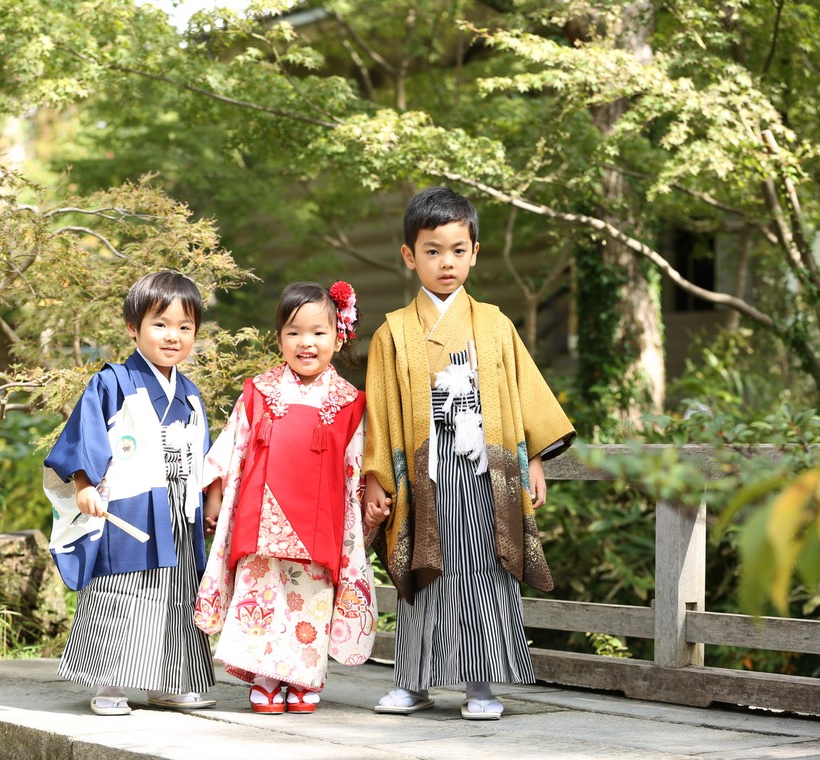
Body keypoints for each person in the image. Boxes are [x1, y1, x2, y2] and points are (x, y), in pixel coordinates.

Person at [363, 187, 576, 721]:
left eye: (458, 250)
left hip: (484, 470)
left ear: (475, 252)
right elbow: (380, 412)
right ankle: (412, 681)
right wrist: (376, 478)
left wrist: (532, 460)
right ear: (409, 255)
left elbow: (523, 397)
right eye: (432, 251)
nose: (447, 262)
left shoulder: (496, 325)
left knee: (486, 571)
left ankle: (481, 686)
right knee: (423, 568)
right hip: (423, 472)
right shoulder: (393, 332)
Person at [193, 281, 376, 715]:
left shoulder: (350, 403)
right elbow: (231, 448)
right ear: (279, 339)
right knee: (263, 593)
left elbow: (359, 465)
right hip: (261, 516)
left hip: (320, 519)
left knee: (309, 599)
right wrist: (215, 494)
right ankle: (265, 676)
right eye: (294, 332)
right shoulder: (259, 392)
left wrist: (370, 497)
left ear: (338, 338)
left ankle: (302, 678)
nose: (306, 342)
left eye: (318, 332)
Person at [42, 271, 217, 716]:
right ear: (132, 327)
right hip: (130, 507)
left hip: (178, 511)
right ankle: (109, 685)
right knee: (121, 593)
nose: (173, 336)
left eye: (185, 327)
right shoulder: (112, 382)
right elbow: (84, 439)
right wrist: (84, 485)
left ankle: (168, 681)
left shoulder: (190, 395)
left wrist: (210, 501)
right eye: (160, 324)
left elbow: (206, 456)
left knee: (177, 594)